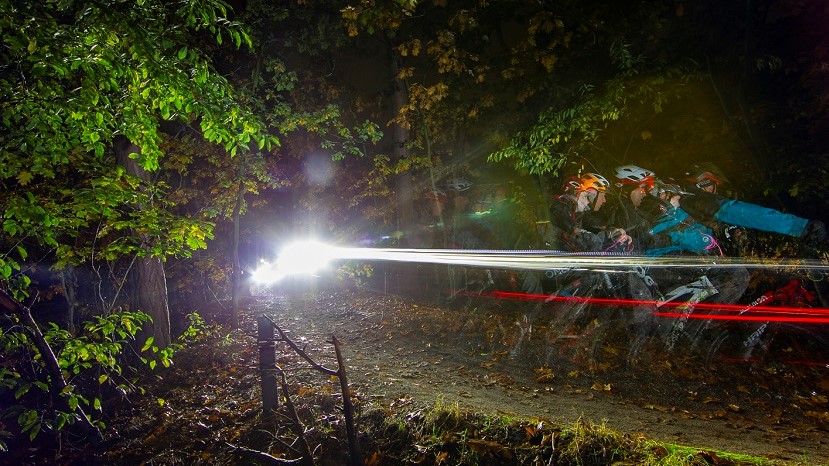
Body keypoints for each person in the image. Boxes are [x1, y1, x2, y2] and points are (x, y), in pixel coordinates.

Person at [680, 163, 828, 256]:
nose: (712, 190)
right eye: (713, 185)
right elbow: (738, 212)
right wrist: (800, 227)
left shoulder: (682, 203)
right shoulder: (691, 197)